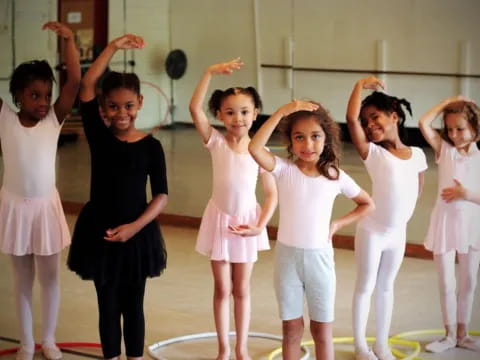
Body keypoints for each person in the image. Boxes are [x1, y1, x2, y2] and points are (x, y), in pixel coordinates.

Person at [67, 34, 168, 360]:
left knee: (133, 305)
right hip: (101, 233)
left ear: (140, 102)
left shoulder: (151, 147)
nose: (121, 112)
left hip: (137, 235)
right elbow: (86, 84)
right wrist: (112, 48)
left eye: (128, 105)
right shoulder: (99, 136)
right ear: (103, 108)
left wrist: (134, 228)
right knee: (107, 304)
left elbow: (161, 196)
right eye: (112, 106)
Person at [249, 100, 374, 360]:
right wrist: (282, 111)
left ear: (326, 138)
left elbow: (367, 203)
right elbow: (254, 147)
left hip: (320, 261)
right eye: (299, 137)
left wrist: (338, 223)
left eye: (315, 137)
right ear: (291, 142)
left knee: (321, 331)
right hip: (287, 260)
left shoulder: (335, 176)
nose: (307, 145)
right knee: (291, 328)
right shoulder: (283, 169)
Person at [0, 22, 80, 360]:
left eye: (46, 95)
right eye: (35, 96)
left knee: (49, 277)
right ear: (17, 95)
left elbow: (74, 81)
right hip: (15, 207)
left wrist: (69, 40)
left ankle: (48, 340)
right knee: (22, 280)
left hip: (46, 207)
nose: (43, 102)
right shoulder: (4, 118)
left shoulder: (53, 120)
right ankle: (26, 342)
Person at [189, 58, 277, 360]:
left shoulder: (260, 152)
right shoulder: (215, 141)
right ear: (220, 115)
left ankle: (241, 348)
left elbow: (271, 195)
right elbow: (194, 109)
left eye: (244, 111)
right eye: (230, 112)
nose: (237, 118)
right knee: (222, 289)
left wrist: (259, 225)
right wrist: (209, 71)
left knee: (242, 289)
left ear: (255, 114)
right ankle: (223, 349)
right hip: (220, 221)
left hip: (248, 224)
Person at [346, 77, 428, 360]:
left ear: (394, 115)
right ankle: (360, 346)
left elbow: (418, 188)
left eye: (375, 117)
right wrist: (359, 86)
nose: (370, 125)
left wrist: (400, 214)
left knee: (386, 287)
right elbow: (350, 120)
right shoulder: (374, 154)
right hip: (373, 230)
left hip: (397, 234)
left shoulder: (418, 155)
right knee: (365, 286)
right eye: (366, 121)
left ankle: (381, 344)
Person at [420, 96, 480, 353]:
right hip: (444, 223)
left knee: (468, 282)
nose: (454, 134)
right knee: (447, 282)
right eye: (450, 128)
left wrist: (467, 194)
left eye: (461, 128)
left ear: (475, 128)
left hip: (472, 224)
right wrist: (451, 101)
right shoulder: (444, 150)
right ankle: (448, 334)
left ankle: (463, 332)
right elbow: (423, 122)